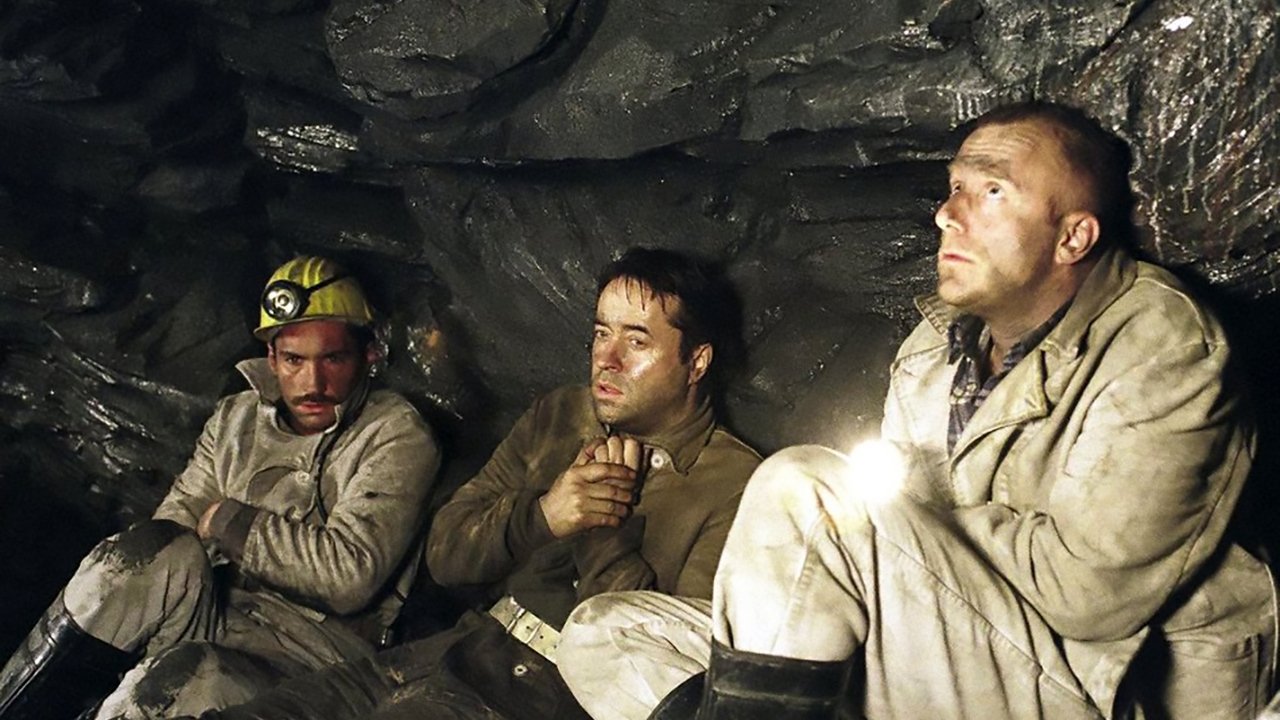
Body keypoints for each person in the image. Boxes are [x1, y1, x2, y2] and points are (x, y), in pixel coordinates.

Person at [558, 101, 1277, 720]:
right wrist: (897, 534)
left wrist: (903, 526)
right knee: (604, 634)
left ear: (1073, 237)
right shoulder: (934, 348)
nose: (947, 213)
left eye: (990, 191)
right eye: (954, 187)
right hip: (940, 656)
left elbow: (1090, 594)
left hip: (1089, 685)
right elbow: (902, 544)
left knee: (803, 490)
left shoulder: (1162, 344)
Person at [181, 246, 762, 720]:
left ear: (697, 361)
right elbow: (448, 553)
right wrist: (543, 516)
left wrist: (599, 527)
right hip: (459, 649)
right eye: (601, 333)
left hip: (539, 696)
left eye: (636, 341)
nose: (606, 359)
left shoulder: (736, 486)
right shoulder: (563, 415)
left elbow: (670, 673)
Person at [0, 256, 441, 720]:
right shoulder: (237, 418)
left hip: (311, 659)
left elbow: (348, 578)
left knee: (180, 681)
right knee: (137, 557)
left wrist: (230, 522)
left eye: (333, 358)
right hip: (213, 612)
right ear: (272, 358)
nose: (313, 383)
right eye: (294, 360)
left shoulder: (395, 434)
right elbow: (172, 530)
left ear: (368, 355)